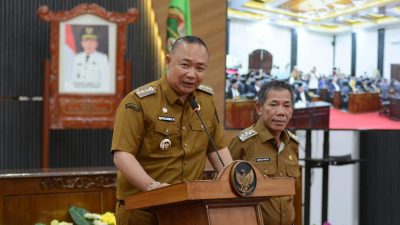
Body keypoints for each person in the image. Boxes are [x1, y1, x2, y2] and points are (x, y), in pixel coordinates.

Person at [111, 36, 233, 225]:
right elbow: (122, 155)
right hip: (144, 211)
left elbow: (217, 149)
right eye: (185, 65)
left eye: (200, 68)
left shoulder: (205, 101)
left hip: (189, 210)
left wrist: (233, 181)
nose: (192, 74)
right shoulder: (138, 102)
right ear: (168, 62)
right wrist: (153, 187)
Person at [229, 80, 300, 225]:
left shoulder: (292, 144)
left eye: (286, 106)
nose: (281, 112)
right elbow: (223, 192)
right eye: (273, 105)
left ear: (292, 110)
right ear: (259, 108)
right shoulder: (244, 142)